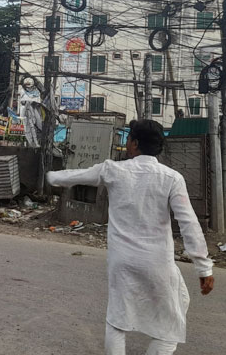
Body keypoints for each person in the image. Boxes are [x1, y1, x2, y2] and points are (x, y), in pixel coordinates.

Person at [46, 119, 214, 355]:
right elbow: (189, 223)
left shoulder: (114, 170)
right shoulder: (172, 178)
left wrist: (51, 176)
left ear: (135, 144)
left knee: (117, 319)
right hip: (157, 262)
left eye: (128, 139)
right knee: (171, 323)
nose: (126, 144)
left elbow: (75, 175)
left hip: (122, 261)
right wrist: (203, 268)